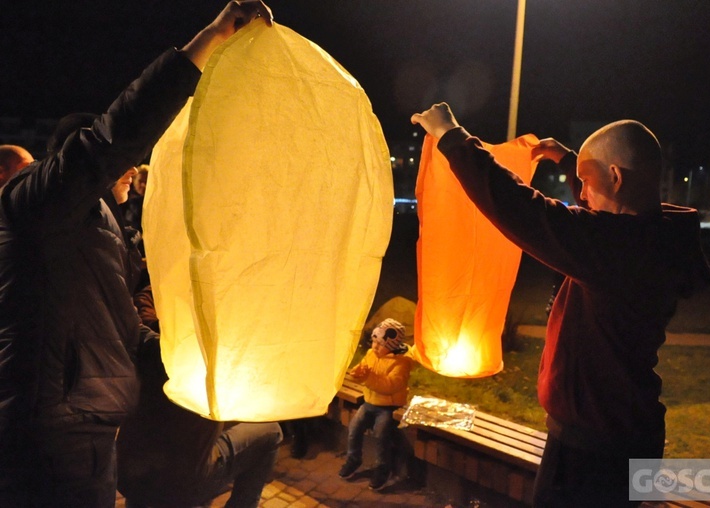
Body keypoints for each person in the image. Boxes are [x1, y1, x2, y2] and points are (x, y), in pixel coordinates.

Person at [0, 2, 273, 506]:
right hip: (50, 435)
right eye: (125, 165)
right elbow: (111, 138)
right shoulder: (31, 205)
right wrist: (206, 42)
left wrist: (196, 358)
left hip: (92, 426)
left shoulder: (96, 229)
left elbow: (121, 330)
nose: (133, 169)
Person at [410, 104, 710, 507]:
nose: (582, 195)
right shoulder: (654, 237)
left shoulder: (616, 250)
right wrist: (574, 163)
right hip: (624, 436)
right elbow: (605, 211)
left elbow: (524, 210)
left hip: (592, 452)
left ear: (614, 176)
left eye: (585, 183)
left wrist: (452, 136)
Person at [117, 284, 283, 508]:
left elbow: (145, 301)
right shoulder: (222, 355)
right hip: (182, 483)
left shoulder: (150, 343)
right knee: (270, 431)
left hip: (127, 473)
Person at [338, 318, 412, 491]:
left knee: (381, 434)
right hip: (370, 402)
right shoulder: (372, 354)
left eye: (380, 344)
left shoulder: (401, 363)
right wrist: (358, 371)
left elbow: (389, 386)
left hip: (388, 407)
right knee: (354, 428)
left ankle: (383, 468)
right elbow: (365, 366)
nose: (375, 346)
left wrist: (367, 378)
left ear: (392, 345)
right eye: (374, 341)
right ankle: (353, 459)